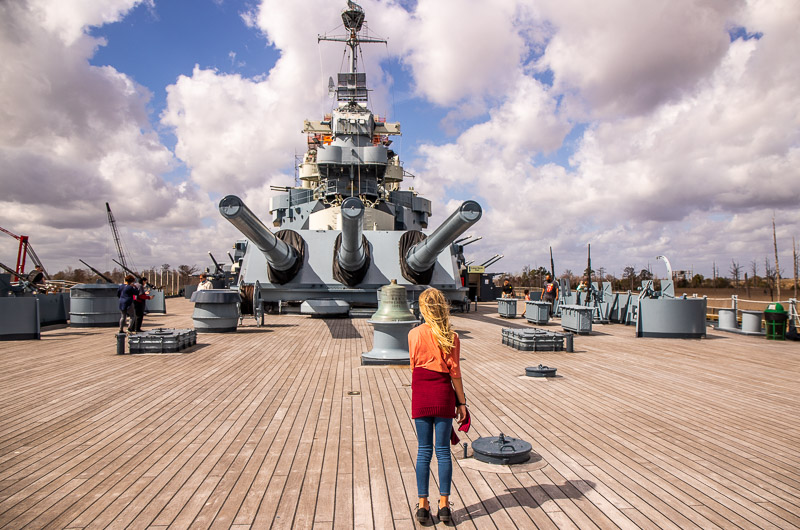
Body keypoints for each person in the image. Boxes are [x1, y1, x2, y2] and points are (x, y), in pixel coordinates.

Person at [408, 287, 468, 523]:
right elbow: (455, 372)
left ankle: (423, 505)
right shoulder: (450, 337)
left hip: (421, 393)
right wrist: (461, 403)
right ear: (442, 307)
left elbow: (414, 367)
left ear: (423, 309)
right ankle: (444, 505)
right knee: (443, 452)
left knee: (424, 451)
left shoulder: (413, 334)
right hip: (443, 394)